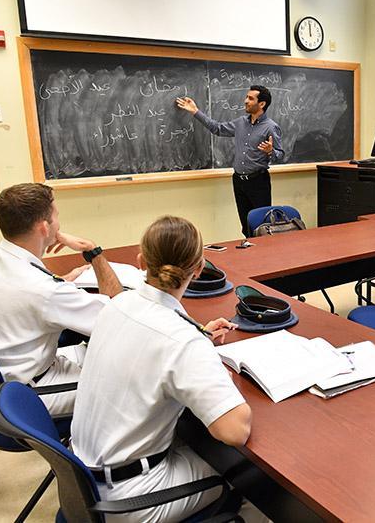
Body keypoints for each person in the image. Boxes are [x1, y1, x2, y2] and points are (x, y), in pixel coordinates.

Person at [71, 215, 256, 522]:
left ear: (141, 261)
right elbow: (235, 431)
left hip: (84, 476)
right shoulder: (183, 342)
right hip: (132, 497)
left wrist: (198, 336)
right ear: (198, 269)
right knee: (251, 479)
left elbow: (146, 344)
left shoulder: (116, 304)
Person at [0, 183, 121, 415]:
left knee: (91, 352)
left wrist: (62, 282)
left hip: (1, 376)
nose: (59, 222)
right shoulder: (45, 292)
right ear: (44, 228)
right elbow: (120, 314)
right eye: (56, 216)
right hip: (30, 394)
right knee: (129, 384)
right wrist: (93, 251)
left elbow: (16, 295)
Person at [176, 86, 284, 238]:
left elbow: (281, 155)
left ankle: (264, 257)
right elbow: (217, 129)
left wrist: (271, 151)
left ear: (262, 104)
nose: (246, 101)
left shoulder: (271, 127)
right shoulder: (240, 123)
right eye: (247, 97)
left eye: (250, 98)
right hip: (239, 181)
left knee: (262, 226)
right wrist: (195, 111)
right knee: (246, 225)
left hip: (258, 181)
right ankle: (251, 255)